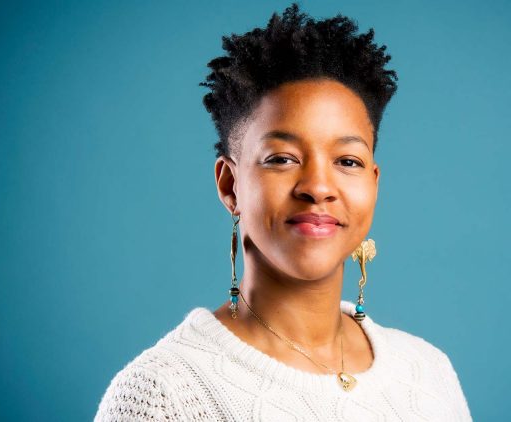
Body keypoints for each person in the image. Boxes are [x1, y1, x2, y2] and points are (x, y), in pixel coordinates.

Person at [95, 4, 471, 421]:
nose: (318, 188)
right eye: (282, 158)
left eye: (348, 161)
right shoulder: (163, 393)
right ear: (229, 185)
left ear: (374, 183)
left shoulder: (428, 371)